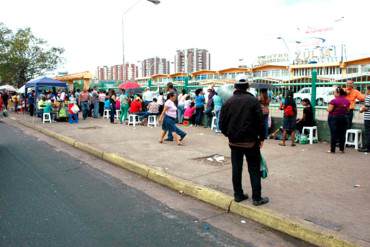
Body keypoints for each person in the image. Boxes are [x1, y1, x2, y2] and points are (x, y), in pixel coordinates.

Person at [219, 75, 268, 206]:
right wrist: (262, 138)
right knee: (254, 169)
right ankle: (257, 198)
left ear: (235, 87)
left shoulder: (228, 102)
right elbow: (260, 122)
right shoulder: (253, 101)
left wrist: (230, 135)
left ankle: (238, 195)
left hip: (234, 142)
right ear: (247, 87)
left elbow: (221, 124)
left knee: (236, 168)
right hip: (251, 142)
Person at [327, 87, 350, 153]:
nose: (334, 93)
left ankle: (332, 150)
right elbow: (348, 110)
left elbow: (329, 110)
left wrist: (327, 108)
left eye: (334, 92)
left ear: (338, 93)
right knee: (342, 134)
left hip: (334, 118)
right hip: (344, 118)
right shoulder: (347, 101)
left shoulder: (334, 100)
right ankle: (341, 149)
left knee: (333, 134)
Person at [358, 85, 370, 153]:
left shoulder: (368, 97)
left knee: (368, 133)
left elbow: (366, 108)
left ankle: (367, 148)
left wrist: (361, 110)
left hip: (368, 118)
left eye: (366, 89)